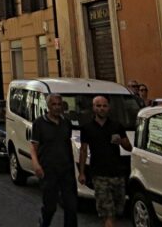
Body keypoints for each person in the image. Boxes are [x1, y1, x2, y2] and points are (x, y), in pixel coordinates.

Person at [78, 95, 132, 227]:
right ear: (93, 108)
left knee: (117, 211)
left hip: (117, 173)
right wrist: (82, 172)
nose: (101, 109)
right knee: (107, 212)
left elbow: (129, 147)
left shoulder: (117, 126)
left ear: (108, 108)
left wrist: (121, 141)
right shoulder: (87, 128)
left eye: (104, 106)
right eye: (98, 106)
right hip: (99, 174)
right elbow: (83, 151)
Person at [30, 94, 78, 227]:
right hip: (48, 170)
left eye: (59, 104)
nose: (57, 107)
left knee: (71, 206)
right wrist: (36, 164)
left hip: (66, 169)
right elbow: (34, 146)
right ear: (48, 106)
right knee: (50, 206)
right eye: (54, 104)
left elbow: (67, 144)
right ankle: (44, 223)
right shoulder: (39, 123)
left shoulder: (66, 123)